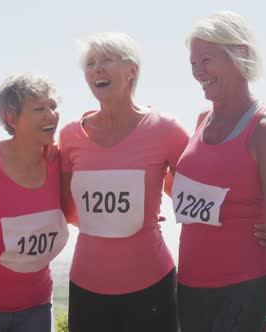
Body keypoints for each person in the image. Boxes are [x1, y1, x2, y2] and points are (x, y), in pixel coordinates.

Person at [174, 11, 266, 332]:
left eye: (206, 60)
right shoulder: (201, 120)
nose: (198, 72)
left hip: (243, 291)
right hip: (189, 289)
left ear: (240, 54)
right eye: (193, 63)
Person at [59, 32, 188, 332]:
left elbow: (194, 195)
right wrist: (116, 222)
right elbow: (67, 207)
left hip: (152, 284)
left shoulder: (166, 129)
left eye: (106, 60)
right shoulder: (69, 136)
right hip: (87, 285)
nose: (96, 69)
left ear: (132, 70)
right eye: (90, 64)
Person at [0, 73, 68, 332]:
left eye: (53, 106)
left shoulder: (59, 162)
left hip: (37, 307)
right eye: (39, 108)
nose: (51, 115)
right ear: (11, 118)